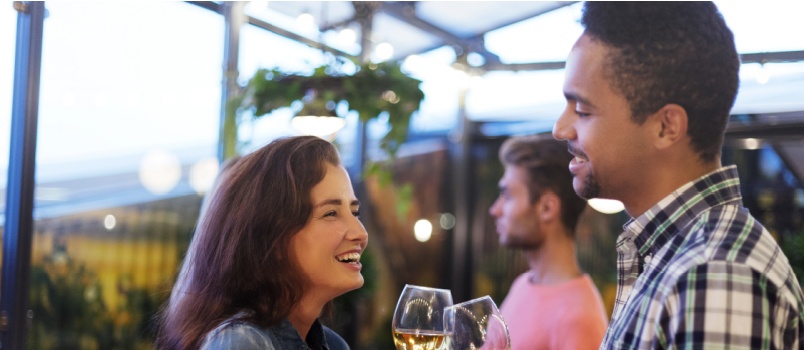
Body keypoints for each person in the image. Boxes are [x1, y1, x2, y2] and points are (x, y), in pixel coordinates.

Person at [552, 2, 804, 349]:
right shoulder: (677, 255)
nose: (560, 129)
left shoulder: (716, 274)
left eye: (582, 110)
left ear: (666, 127)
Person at [155, 136, 368, 350]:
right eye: (331, 213)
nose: (360, 233)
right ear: (273, 239)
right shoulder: (241, 342)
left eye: (355, 212)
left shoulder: (334, 345)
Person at [489, 135, 608, 350]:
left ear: (547, 208)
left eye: (507, 196)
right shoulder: (522, 285)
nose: (495, 210)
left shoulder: (578, 318)